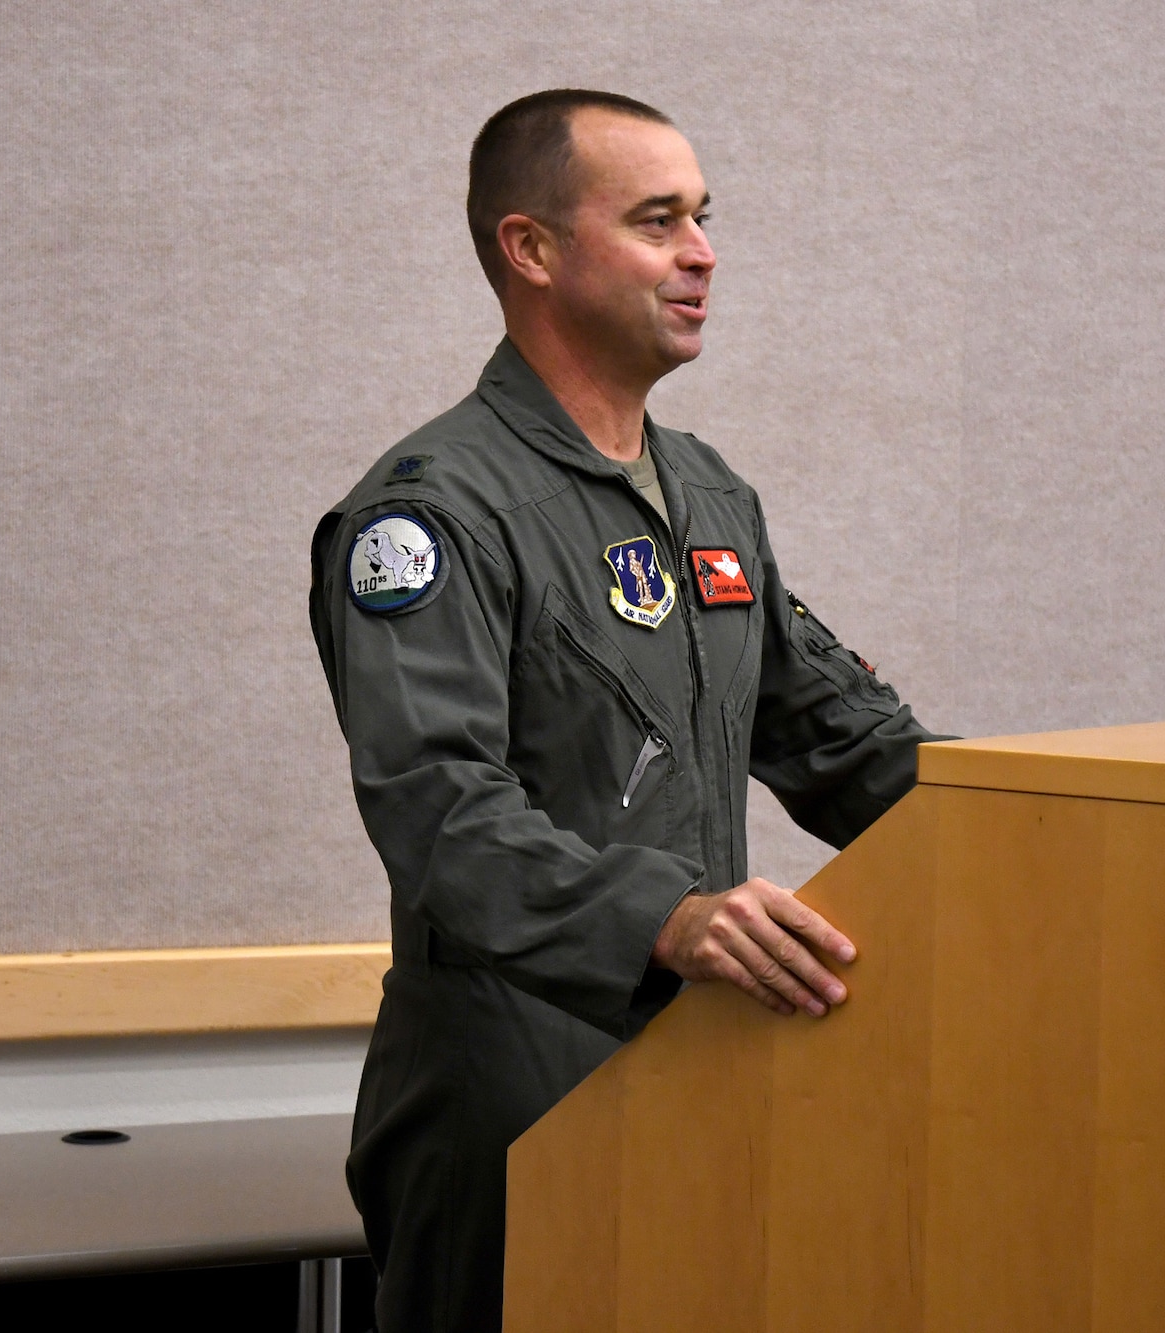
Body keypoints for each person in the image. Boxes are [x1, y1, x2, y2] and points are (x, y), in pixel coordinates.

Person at [308, 88, 944, 1333]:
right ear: (531, 250)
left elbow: (836, 736)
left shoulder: (710, 494)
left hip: (699, 1072)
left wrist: (1057, 818)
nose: (702, 252)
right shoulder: (429, 518)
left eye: (703, 219)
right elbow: (442, 816)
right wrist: (671, 919)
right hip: (511, 1094)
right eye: (657, 221)